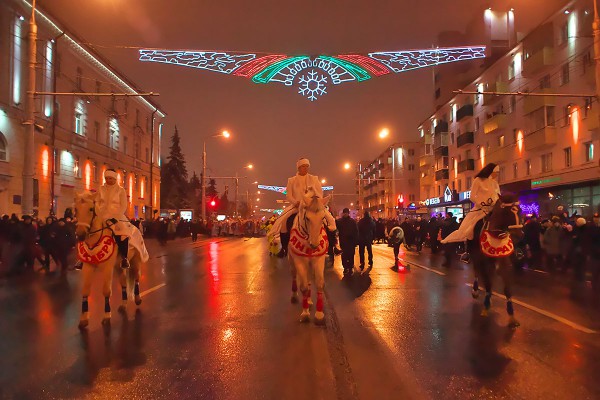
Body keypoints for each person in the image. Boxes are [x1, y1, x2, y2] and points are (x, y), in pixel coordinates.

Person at [268, 158, 333, 256]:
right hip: (297, 206)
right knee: (284, 221)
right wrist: (296, 202)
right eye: (303, 166)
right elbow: (288, 195)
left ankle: (333, 245)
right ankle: (284, 247)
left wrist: (313, 201)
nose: (305, 168)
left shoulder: (314, 179)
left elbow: (319, 193)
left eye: (307, 166)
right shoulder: (291, 180)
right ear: (299, 167)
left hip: (312, 206)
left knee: (328, 219)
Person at [441, 163, 500, 244]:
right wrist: (480, 204)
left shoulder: (495, 183)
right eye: (496, 172)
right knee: (468, 227)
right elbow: (472, 196)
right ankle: (466, 243)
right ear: (491, 171)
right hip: (480, 209)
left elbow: (498, 196)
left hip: (493, 209)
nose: (497, 174)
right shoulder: (478, 180)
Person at [95, 169, 132, 269]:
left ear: (115, 178)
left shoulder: (120, 190)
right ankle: (84, 257)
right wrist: (98, 213)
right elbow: (97, 202)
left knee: (122, 233)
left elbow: (123, 205)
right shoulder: (101, 189)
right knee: (90, 230)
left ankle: (124, 258)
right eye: (106, 178)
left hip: (116, 217)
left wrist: (116, 217)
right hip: (101, 216)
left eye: (110, 178)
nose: (108, 180)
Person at [337, 208, 358, 276]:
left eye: (346, 213)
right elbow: (335, 229)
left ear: (348, 213)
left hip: (351, 242)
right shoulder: (339, 221)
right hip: (343, 241)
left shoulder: (352, 221)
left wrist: (355, 241)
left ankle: (350, 267)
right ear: (343, 213)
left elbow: (356, 231)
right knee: (344, 255)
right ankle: (345, 267)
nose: (345, 214)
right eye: (344, 213)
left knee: (351, 255)